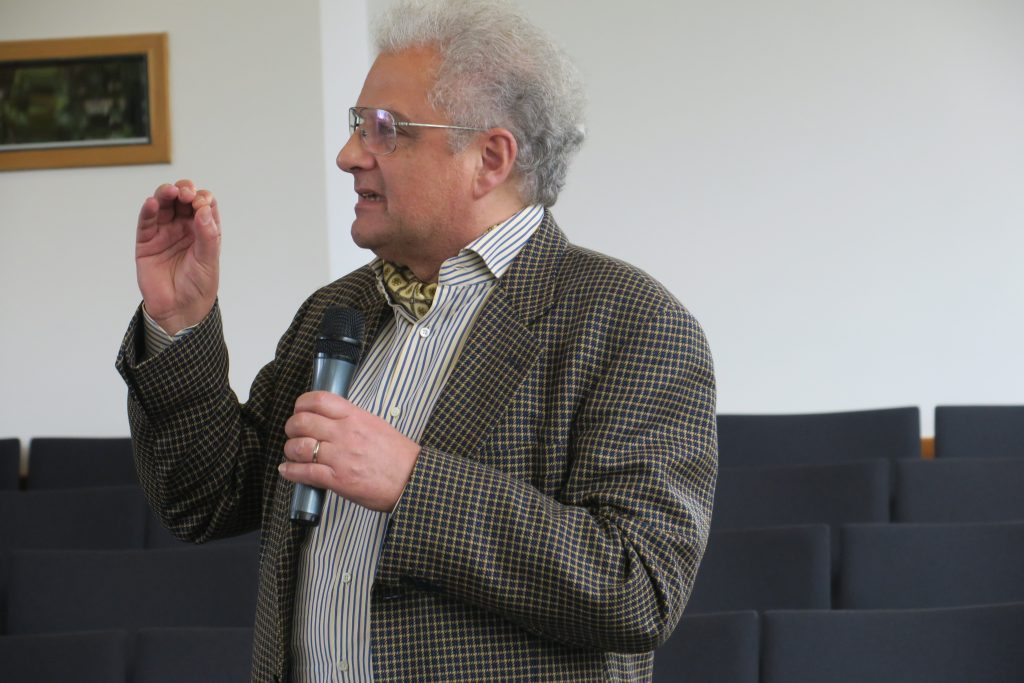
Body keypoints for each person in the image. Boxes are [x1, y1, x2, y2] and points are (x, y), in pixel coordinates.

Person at [116, 1, 717, 680]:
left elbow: (639, 587)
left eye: (384, 129)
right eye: (356, 125)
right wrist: (180, 321)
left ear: (489, 158)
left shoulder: (632, 322)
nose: (348, 155)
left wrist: (412, 482)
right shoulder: (336, 309)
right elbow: (206, 498)